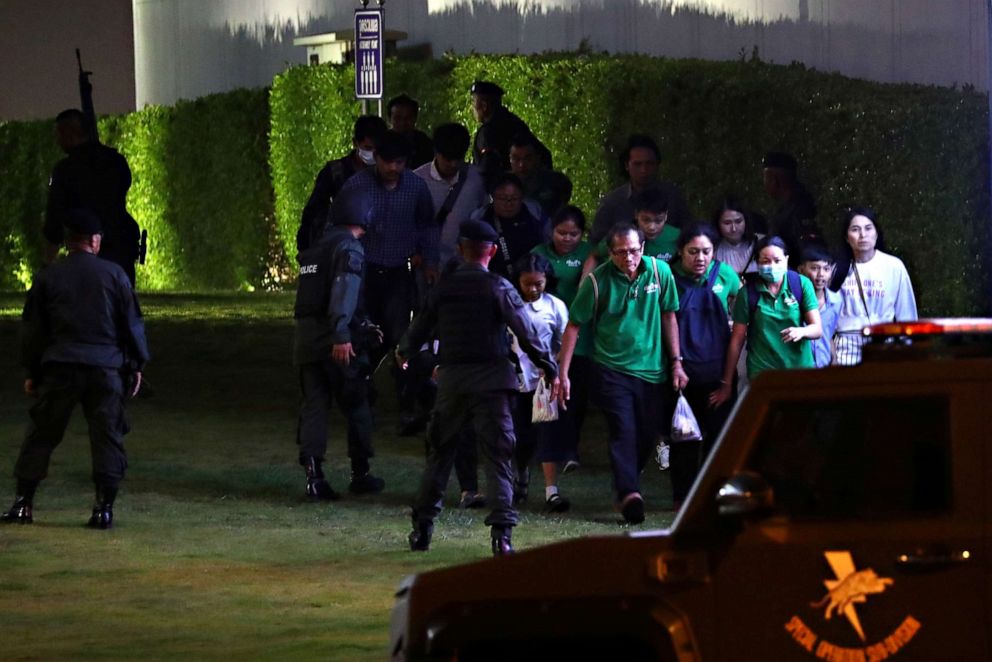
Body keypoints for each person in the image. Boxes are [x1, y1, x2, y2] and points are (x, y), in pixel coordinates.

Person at [398, 219, 558, 557]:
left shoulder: (443, 287)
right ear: (493, 251)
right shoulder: (498, 287)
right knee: (498, 458)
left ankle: (422, 530)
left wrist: (404, 352)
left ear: (460, 249)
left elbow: (419, 327)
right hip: (494, 381)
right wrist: (547, 364)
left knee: (439, 455)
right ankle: (502, 536)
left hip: (454, 381)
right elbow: (526, 331)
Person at [2, 209, 148, 529]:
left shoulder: (49, 277)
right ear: (95, 241)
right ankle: (103, 509)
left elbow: (34, 329)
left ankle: (24, 503)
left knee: (42, 434)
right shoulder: (114, 275)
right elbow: (131, 325)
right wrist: (136, 365)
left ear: (68, 242)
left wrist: (32, 371)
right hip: (105, 368)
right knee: (107, 437)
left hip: (61, 366)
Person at [559, 223, 688, 524]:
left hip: (652, 370)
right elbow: (574, 325)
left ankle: (625, 483)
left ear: (642, 248)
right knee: (623, 428)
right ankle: (629, 494)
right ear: (610, 252)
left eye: (633, 251)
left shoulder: (660, 272)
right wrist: (562, 374)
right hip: (610, 368)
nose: (628, 258)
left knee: (647, 433)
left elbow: (669, 315)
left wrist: (677, 362)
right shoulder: (596, 281)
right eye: (620, 252)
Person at [338, 129, 437, 434]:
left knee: (400, 337)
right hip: (364, 271)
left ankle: (406, 406)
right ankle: (361, 396)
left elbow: (427, 225)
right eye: (387, 162)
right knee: (363, 334)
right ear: (376, 159)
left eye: (399, 163)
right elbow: (340, 226)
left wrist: (429, 258)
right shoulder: (357, 186)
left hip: (397, 271)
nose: (393, 168)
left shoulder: (416, 187)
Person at [293, 188, 385, 500]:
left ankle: (313, 474)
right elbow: (343, 291)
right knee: (358, 403)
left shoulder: (316, 247)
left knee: (314, 406)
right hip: (336, 341)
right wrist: (343, 334)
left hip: (307, 340)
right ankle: (361, 473)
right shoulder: (349, 248)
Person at [668, 223, 740, 508]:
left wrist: (726, 382)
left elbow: (740, 312)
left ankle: (712, 491)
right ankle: (682, 495)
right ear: (681, 252)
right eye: (693, 252)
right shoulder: (670, 279)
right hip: (683, 374)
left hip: (719, 373)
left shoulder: (727, 276)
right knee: (684, 437)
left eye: (706, 251)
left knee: (719, 435)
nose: (700, 258)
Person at [712, 236, 822, 408]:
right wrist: (726, 384)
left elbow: (817, 329)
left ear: (786, 259)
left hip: (799, 370)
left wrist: (801, 331)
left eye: (777, 260)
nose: (772, 266)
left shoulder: (801, 284)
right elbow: (737, 340)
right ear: (757, 262)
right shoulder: (748, 294)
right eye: (765, 261)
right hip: (762, 373)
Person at [44, 109, 141, 285]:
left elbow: (54, 218)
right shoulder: (115, 160)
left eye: (59, 134)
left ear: (70, 133)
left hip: (86, 250)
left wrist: (47, 263)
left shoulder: (65, 170)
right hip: (121, 242)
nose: (57, 141)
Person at [530, 206, 592, 472]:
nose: (567, 239)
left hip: (580, 335)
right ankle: (544, 450)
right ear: (551, 231)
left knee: (574, 395)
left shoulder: (590, 253)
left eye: (573, 234)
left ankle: (570, 450)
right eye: (561, 232)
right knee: (544, 394)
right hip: (545, 335)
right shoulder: (538, 254)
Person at [507, 253, 570, 513]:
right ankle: (519, 476)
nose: (533, 289)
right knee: (520, 436)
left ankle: (551, 491)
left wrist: (553, 368)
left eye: (538, 284)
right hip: (514, 381)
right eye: (527, 284)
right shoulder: (507, 304)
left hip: (545, 382)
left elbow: (565, 341)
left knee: (547, 435)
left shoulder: (555, 306)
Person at [829, 207, 918, 365]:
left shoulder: (894, 266)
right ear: (846, 237)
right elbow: (826, 316)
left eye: (868, 228)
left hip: (884, 347)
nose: (862, 235)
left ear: (877, 233)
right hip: (845, 349)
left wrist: (908, 352)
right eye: (855, 230)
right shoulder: (836, 269)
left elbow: (907, 314)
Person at [298, 115, 388, 253]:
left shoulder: (388, 173)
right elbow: (314, 211)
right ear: (355, 143)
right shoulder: (336, 172)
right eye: (368, 148)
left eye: (378, 150)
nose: (373, 154)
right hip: (342, 249)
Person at [589, 134, 690, 245]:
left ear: (657, 165)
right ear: (627, 165)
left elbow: (689, 235)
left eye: (649, 164)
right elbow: (596, 243)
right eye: (637, 164)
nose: (643, 170)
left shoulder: (673, 197)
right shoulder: (612, 203)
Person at [413, 122, 488, 266]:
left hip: (465, 264)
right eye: (448, 159)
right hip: (427, 265)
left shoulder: (476, 179)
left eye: (458, 159)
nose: (453, 164)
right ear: (436, 152)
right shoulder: (416, 180)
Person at [583, 187, 679, 276]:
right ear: (636, 214)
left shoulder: (677, 237)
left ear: (666, 216)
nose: (652, 227)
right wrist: (583, 285)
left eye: (658, 221)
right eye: (646, 220)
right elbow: (594, 255)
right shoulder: (620, 235)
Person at [471, 173, 546, 280]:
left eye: (514, 198)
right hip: (492, 281)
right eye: (502, 198)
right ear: (493, 197)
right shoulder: (481, 218)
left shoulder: (534, 212)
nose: (508, 204)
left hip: (530, 280)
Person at [762, 151, 820, 267]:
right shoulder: (787, 207)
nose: (764, 183)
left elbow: (806, 250)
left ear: (775, 180)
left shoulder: (800, 209)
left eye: (765, 177)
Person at [470, 80, 532, 188]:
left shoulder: (487, 132)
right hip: (524, 189)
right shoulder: (517, 123)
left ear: (484, 106)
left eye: (474, 102)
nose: (473, 108)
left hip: (501, 195)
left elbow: (487, 171)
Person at [509, 131, 572, 218]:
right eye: (516, 159)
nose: (521, 165)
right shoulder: (503, 185)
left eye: (527, 158)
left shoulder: (556, 182)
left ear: (537, 158)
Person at [798, 245, 842, 368]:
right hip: (799, 369)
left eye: (826, 269)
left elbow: (829, 334)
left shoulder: (836, 301)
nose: (821, 274)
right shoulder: (793, 301)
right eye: (815, 268)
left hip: (825, 366)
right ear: (801, 270)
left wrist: (834, 360)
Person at [713, 196, 764, 279]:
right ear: (718, 224)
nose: (733, 228)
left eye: (738, 221)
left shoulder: (761, 243)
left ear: (746, 220)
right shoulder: (713, 250)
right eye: (727, 223)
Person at [387, 94, 434, 169]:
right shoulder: (381, 143)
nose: (403, 122)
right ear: (390, 119)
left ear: (415, 119)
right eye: (398, 118)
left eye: (408, 118)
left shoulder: (425, 145)